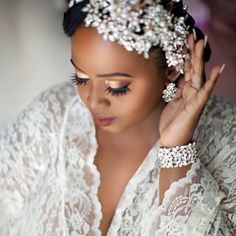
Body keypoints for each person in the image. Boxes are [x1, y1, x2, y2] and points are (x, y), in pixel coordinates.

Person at [0, 0, 235, 235]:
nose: (92, 100)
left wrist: (177, 151)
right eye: (80, 78)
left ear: (171, 69)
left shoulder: (227, 141)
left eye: (117, 86)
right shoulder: (51, 116)